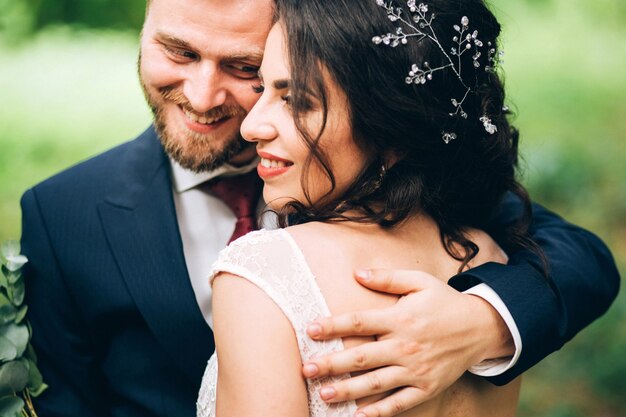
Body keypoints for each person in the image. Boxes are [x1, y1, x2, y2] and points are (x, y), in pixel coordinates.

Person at [19, 0, 618, 416]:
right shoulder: (62, 213)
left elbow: (581, 259)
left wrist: (482, 322)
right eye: (177, 52)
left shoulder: (429, 191)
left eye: (247, 69)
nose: (203, 98)